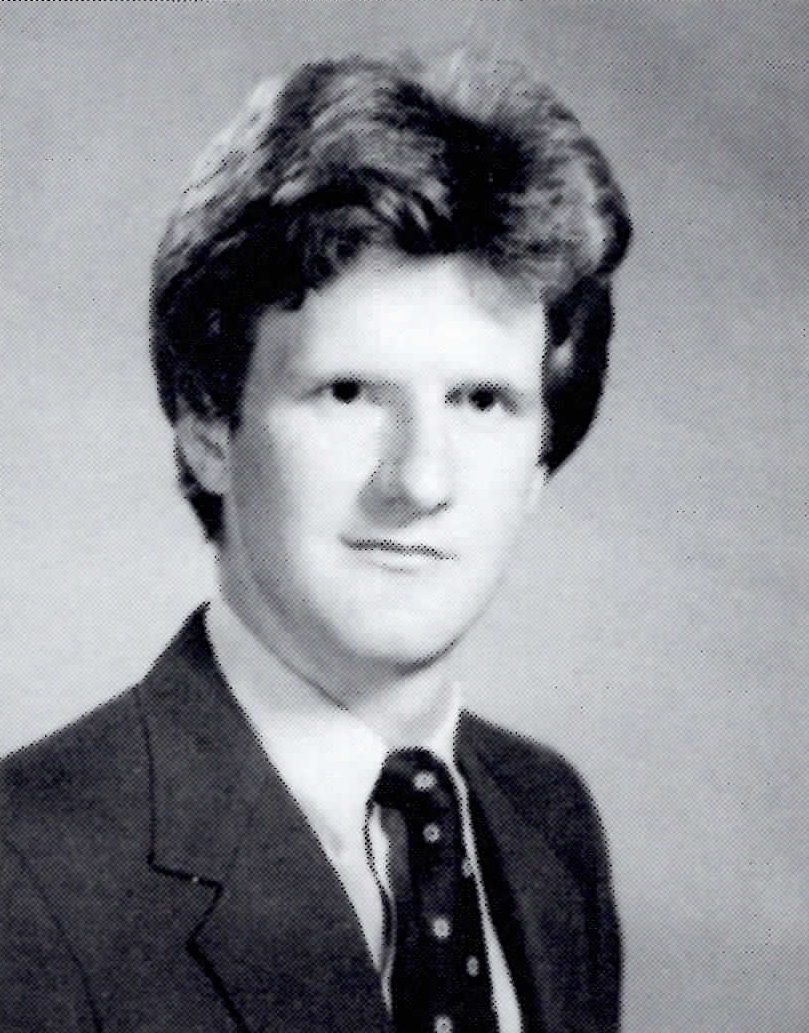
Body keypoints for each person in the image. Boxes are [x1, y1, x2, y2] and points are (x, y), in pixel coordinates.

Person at [1, 52, 631, 1033]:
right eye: (347, 393)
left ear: (539, 460)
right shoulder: (25, 872)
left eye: (481, 401)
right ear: (208, 428)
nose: (419, 481)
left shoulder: (547, 820)